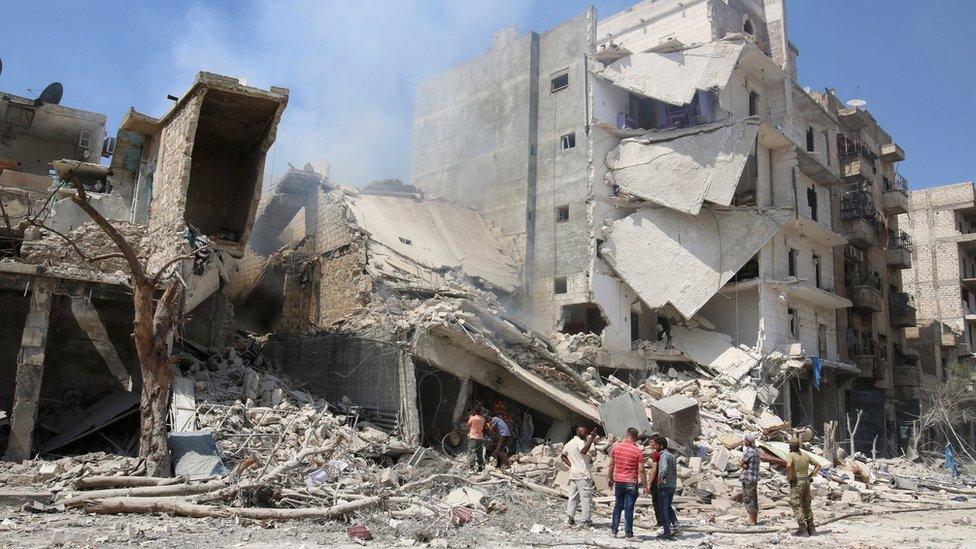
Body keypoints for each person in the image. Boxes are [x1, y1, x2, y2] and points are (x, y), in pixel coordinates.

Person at [607, 427, 647, 539]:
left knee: (618, 506)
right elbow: (641, 470)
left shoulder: (615, 448)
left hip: (618, 481)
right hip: (631, 482)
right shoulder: (638, 451)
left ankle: (613, 531)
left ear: (626, 435)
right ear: (636, 437)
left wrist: (610, 478)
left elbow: (611, 465)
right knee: (629, 508)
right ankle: (628, 533)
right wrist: (645, 486)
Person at [561, 426, 598, 527]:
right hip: (583, 474)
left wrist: (572, 465)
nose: (586, 435)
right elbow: (584, 451)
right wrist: (592, 438)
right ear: (579, 433)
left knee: (573, 497)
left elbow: (563, 456)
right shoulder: (580, 442)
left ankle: (570, 518)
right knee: (586, 498)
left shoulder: (569, 443)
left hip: (574, 473)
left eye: (587, 433)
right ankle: (586, 520)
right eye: (585, 433)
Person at [785, 438, 820, 537]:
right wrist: (810, 476)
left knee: (796, 504)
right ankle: (812, 529)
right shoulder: (805, 455)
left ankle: (802, 529)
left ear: (791, 446)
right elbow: (818, 465)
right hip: (806, 481)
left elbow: (788, 466)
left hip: (797, 482)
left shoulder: (790, 455)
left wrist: (790, 477)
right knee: (806, 504)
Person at [650, 435, 678, 539]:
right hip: (672, 485)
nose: (654, 447)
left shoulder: (663, 455)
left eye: (656, 445)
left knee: (663, 508)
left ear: (661, 446)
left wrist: (660, 478)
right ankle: (676, 526)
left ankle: (667, 531)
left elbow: (663, 468)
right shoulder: (671, 455)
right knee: (668, 507)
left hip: (664, 486)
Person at [739, 433, 760, 525]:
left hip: (748, 478)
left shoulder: (749, 451)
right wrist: (744, 465)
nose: (744, 442)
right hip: (754, 478)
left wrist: (743, 465)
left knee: (748, 498)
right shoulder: (756, 451)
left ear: (748, 441)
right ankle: (754, 520)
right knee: (754, 499)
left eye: (745, 440)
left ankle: (751, 521)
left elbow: (741, 463)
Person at [465, 408, 487, 472]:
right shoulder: (483, 419)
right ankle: (480, 468)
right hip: (480, 438)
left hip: (473, 438)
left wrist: (469, 418)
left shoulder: (472, 418)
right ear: (480, 411)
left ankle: (471, 468)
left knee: (471, 452)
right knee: (479, 453)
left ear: (474, 411)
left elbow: (467, 425)